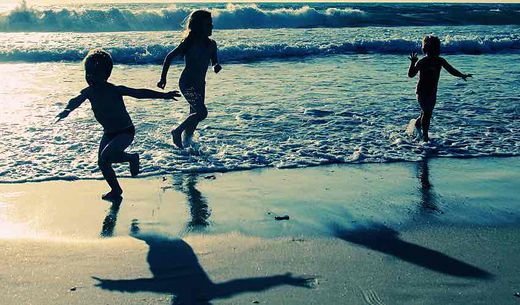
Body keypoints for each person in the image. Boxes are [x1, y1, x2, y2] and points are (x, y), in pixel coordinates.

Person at [56, 49, 180, 201]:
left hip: (125, 132)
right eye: (88, 73)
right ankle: (116, 190)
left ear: (106, 75)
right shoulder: (89, 92)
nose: (90, 77)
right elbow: (75, 100)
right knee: (103, 162)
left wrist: (164, 95)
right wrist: (67, 110)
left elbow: (138, 93)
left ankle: (132, 158)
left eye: (95, 73)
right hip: (108, 133)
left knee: (107, 156)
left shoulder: (114, 90)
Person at [157, 9, 222, 149]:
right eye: (208, 24)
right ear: (199, 26)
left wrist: (216, 66)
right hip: (187, 83)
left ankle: (186, 145)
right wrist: (163, 78)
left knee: (195, 116)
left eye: (211, 24)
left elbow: (214, 61)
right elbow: (169, 57)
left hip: (200, 85)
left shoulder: (212, 44)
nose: (212, 27)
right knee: (201, 112)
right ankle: (176, 132)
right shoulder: (189, 42)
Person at [408, 35, 472, 142]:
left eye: (436, 49)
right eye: (431, 49)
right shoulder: (422, 62)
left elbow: (451, 70)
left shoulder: (440, 61)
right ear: (425, 49)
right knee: (427, 113)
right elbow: (411, 75)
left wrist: (462, 75)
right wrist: (413, 63)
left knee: (426, 113)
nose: (435, 52)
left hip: (432, 92)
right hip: (421, 91)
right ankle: (425, 137)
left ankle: (417, 124)